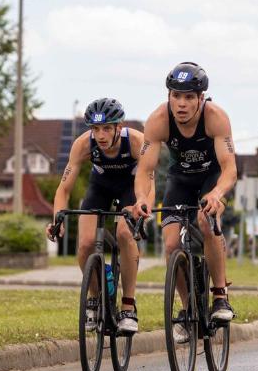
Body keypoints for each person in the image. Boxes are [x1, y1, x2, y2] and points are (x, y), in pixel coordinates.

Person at [132, 62, 238, 342]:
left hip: (210, 178)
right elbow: (145, 170)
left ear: (201, 99)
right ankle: (188, 307)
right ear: (168, 96)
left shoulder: (216, 118)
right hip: (180, 180)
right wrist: (142, 197)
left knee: (206, 221)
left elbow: (230, 169)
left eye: (189, 97)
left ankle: (219, 296)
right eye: (176, 96)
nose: (181, 103)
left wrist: (217, 194)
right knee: (170, 244)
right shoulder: (157, 120)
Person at [46, 98, 151, 333]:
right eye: (95, 129)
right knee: (85, 245)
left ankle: (128, 306)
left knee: (125, 233)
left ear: (118, 127)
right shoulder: (83, 144)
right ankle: (94, 298)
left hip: (132, 188)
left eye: (106, 128)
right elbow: (63, 189)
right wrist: (57, 219)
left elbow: (148, 182)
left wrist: (142, 209)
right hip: (100, 187)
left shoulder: (136, 142)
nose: (100, 135)